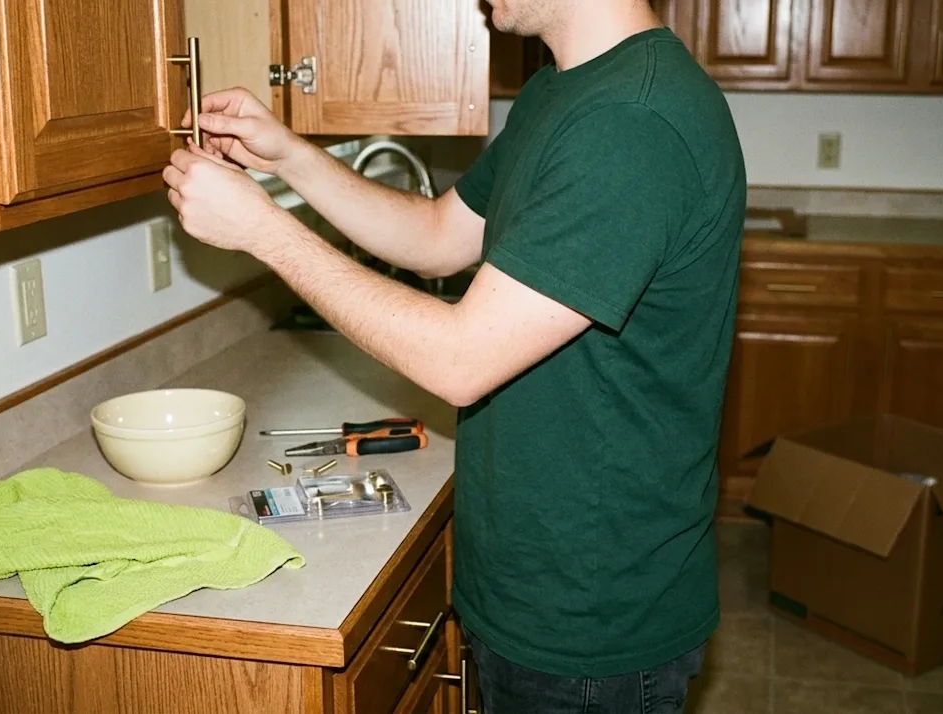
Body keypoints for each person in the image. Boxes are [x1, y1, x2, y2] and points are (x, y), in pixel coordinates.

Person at [162, 0, 746, 709]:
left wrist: (265, 231)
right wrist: (292, 158)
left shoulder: (632, 122)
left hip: (591, 627)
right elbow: (440, 233)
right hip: (533, 589)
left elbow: (460, 360)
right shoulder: (561, 91)